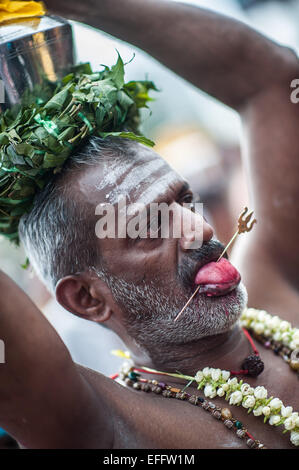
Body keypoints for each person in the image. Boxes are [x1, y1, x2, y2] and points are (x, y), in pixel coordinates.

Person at [0, 0, 298, 449]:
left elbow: (271, 80)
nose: (199, 231)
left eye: (185, 200)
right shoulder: (105, 428)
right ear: (87, 298)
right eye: (147, 228)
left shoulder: (278, 288)